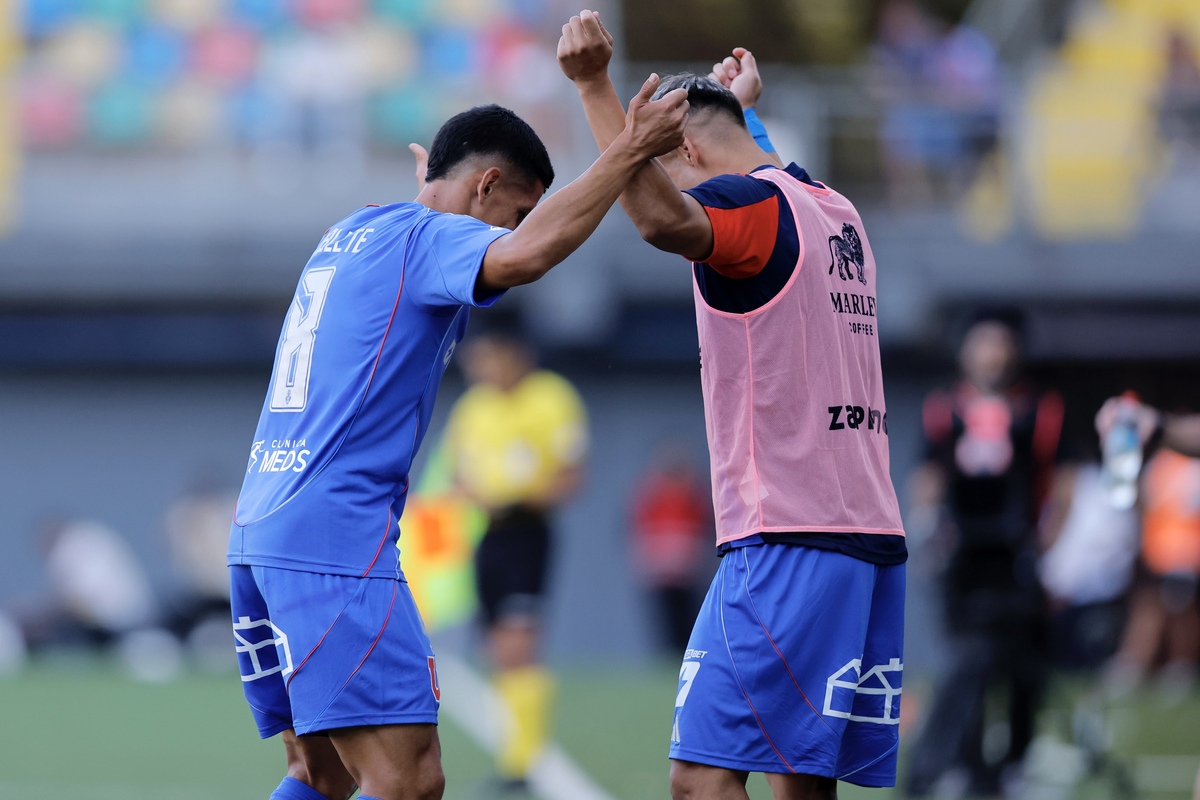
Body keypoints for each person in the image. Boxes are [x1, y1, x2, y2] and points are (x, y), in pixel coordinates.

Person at [227, 88, 689, 800]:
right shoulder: (431, 237)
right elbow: (527, 256)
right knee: (408, 779)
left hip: (261, 531)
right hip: (332, 543)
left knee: (318, 774)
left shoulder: (351, 232)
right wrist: (627, 149)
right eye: (518, 209)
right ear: (487, 185)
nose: (515, 227)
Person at [558, 12, 907, 799]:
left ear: (682, 150)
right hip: (866, 535)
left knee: (700, 779)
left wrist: (592, 89)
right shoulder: (834, 208)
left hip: (785, 536)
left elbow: (654, 216)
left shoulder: (746, 208)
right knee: (802, 778)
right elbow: (747, 160)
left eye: (664, 161)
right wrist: (739, 108)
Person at [904, 313, 1065, 798]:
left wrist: (1049, 548)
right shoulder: (944, 409)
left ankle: (1012, 764)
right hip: (964, 559)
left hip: (1019, 558)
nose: (992, 356)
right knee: (967, 664)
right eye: (983, 346)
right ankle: (968, 768)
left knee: (1021, 668)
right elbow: (928, 475)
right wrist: (927, 528)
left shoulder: (1040, 409)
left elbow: (1063, 481)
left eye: (1000, 346)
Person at [441, 329, 587, 791]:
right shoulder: (473, 408)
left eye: (488, 359)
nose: (481, 370)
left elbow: (570, 475)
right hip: (488, 536)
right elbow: (456, 474)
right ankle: (518, 753)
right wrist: (477, 497)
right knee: (497, 649)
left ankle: (524, 760)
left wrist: (520, 498)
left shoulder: (551, 398)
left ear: (514, 354)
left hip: (528, 532)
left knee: (518, 643)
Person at [629, 442, 712, 654]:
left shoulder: (692, 492)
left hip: (687, 572)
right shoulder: (653, 491)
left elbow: (704, 524)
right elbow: (639, 525)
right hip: (661, 572)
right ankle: (669, 658)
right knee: (666, 621)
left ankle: (685, 655)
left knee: (689, 619)